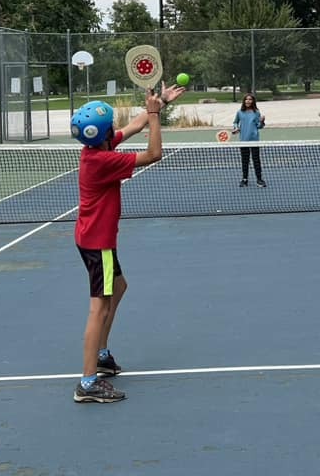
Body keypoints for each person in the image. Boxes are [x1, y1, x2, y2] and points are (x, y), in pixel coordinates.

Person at [69, 82, 185, 404]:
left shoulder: (97, 149)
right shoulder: (102, 162)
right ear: (104, 134)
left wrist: (158, 102)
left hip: (91, 237)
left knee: (118, 288)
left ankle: (102, 356)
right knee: (99, 306)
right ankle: (88, 383)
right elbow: (154, 154)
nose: (115, 131)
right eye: (111, 129)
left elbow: (133, 126)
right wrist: (155, 116)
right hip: (98, 243)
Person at [233, 93, 266, 187]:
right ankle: (244, 179)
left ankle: (259, 179)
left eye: (250, 99)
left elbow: (259, 126)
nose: (248, 101)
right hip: (243, 140)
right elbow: (235, 122)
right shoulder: (239, 112)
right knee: (245, 160)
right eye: (246, 99)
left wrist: (262, 122)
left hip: (254, 140)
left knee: (256, 160)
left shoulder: (256, 112)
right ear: (244, 101)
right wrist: (236, 128)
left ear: (253, 101)